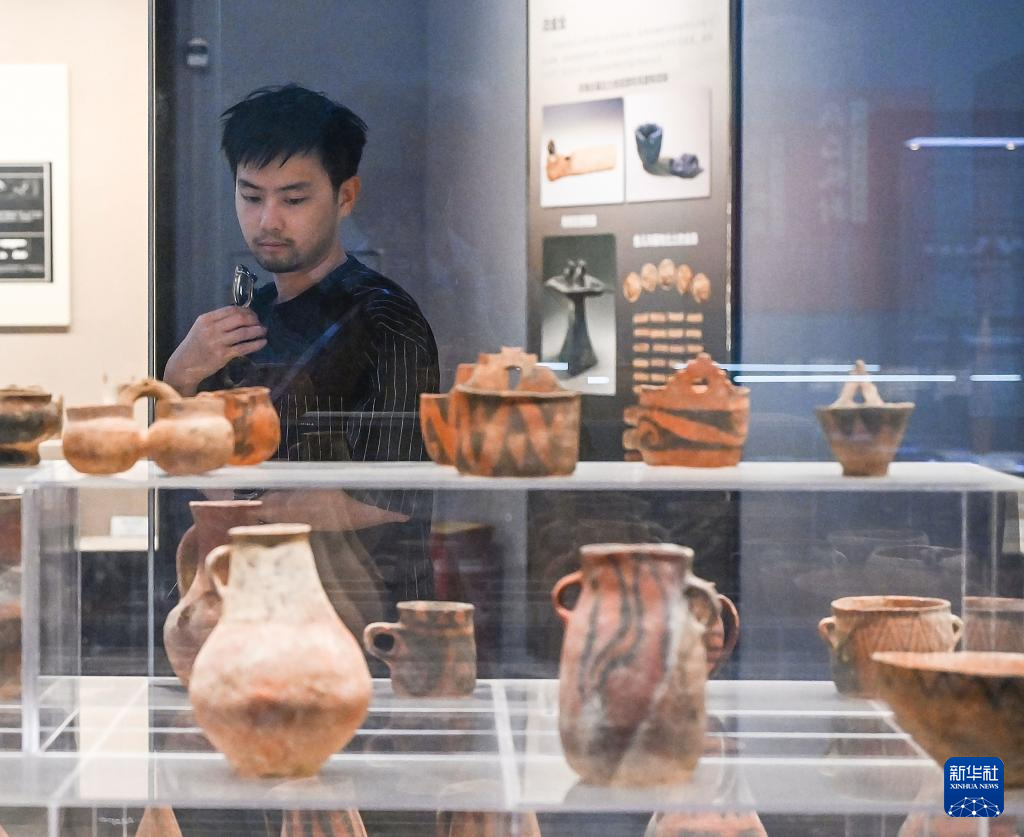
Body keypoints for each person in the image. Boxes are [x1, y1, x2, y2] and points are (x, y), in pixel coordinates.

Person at [163, 84, 440, 624]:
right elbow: (194, 469)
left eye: (293, 200)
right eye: (251, 197)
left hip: (363, 622)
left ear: (345, 196)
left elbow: (391, 497)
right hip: (254, 609)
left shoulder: (385, 318)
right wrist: (180, 378)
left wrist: (249, 507)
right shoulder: (247, 318)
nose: (268, 220)